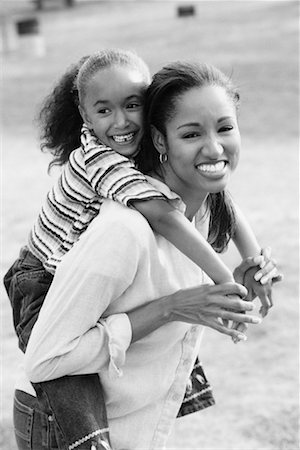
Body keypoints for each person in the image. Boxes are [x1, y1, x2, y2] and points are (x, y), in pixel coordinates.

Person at [4, 51, 279, 450]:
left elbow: (223, 203)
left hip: (135, 423)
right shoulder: (123, 214)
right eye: (190, 133)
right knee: (69, 386)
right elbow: (45, 360)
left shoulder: (187, 196)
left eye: (225, 128)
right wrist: (215, 288)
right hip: (38, 284)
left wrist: (252, 260)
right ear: (159, 137)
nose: (214, 149)